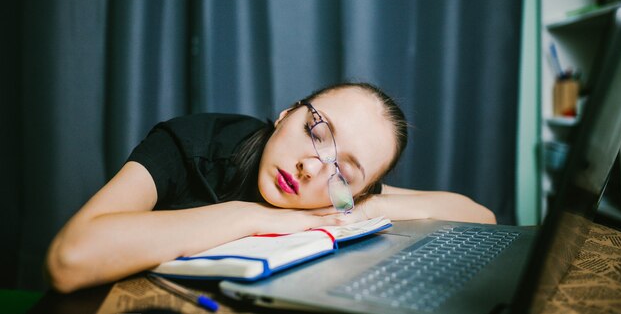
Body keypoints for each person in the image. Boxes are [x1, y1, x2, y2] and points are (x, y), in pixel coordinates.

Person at [46, 82, 495, 293]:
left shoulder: (339, 197)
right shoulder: (193, 142)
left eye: (344, 170)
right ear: (285, 114)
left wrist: (359, 210)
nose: (311, 167)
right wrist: (258, 217)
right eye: (316, 132)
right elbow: (70, 259)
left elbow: (480, 214)